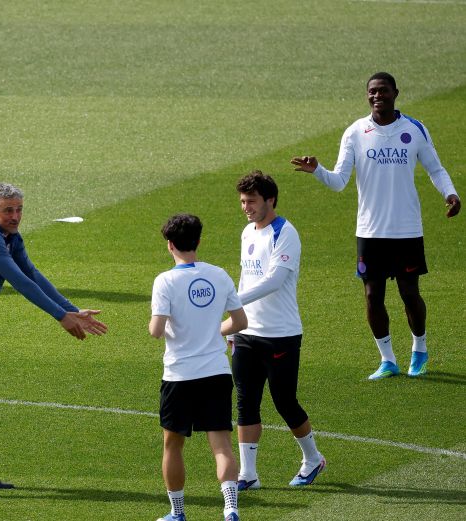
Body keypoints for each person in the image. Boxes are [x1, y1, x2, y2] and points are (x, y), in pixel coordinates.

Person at [0, 183, 108, 499]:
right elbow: (20, 281)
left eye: (19, 209)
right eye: (8, 210)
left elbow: (34, 275)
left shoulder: (11, 238)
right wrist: (61, 318)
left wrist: (72, 310)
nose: (15, 216)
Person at [291, 72, 461, 380]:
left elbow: (436, 169)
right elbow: (339, 181)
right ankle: (387, 360)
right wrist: (317, 170)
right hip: (369, 231)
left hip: (407, 229)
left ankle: (419, 348)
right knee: (372, 296)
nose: (376, 95)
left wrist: (451, 193)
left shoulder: (414, 129)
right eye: (372, 91)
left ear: (396, 92)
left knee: (410, 293)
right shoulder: (356, 132)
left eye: (382, 90)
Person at [231, 171, 325, 491]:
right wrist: (233, 325)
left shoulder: (285, 233)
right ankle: (248, 474)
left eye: (252, 201)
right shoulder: (247, 232)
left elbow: (274, 280)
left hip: (281, 333)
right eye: (243, 201)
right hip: (247, 333)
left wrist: (229, 300)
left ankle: (313, 459)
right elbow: (246, 278)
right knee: (246, 402)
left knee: (285, 401)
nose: (246, 207)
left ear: (270, 200)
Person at [149, 213, 247, 521]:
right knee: (221, 445)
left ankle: (177, 512)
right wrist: (211, 331)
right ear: (198, 241)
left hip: (179, 375)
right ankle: (230, 506)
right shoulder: (219, 274)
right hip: (216, 372)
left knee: (172, 446)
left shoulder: (165, 281)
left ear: (169, 246)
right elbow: (240, 322)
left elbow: (156, 329)